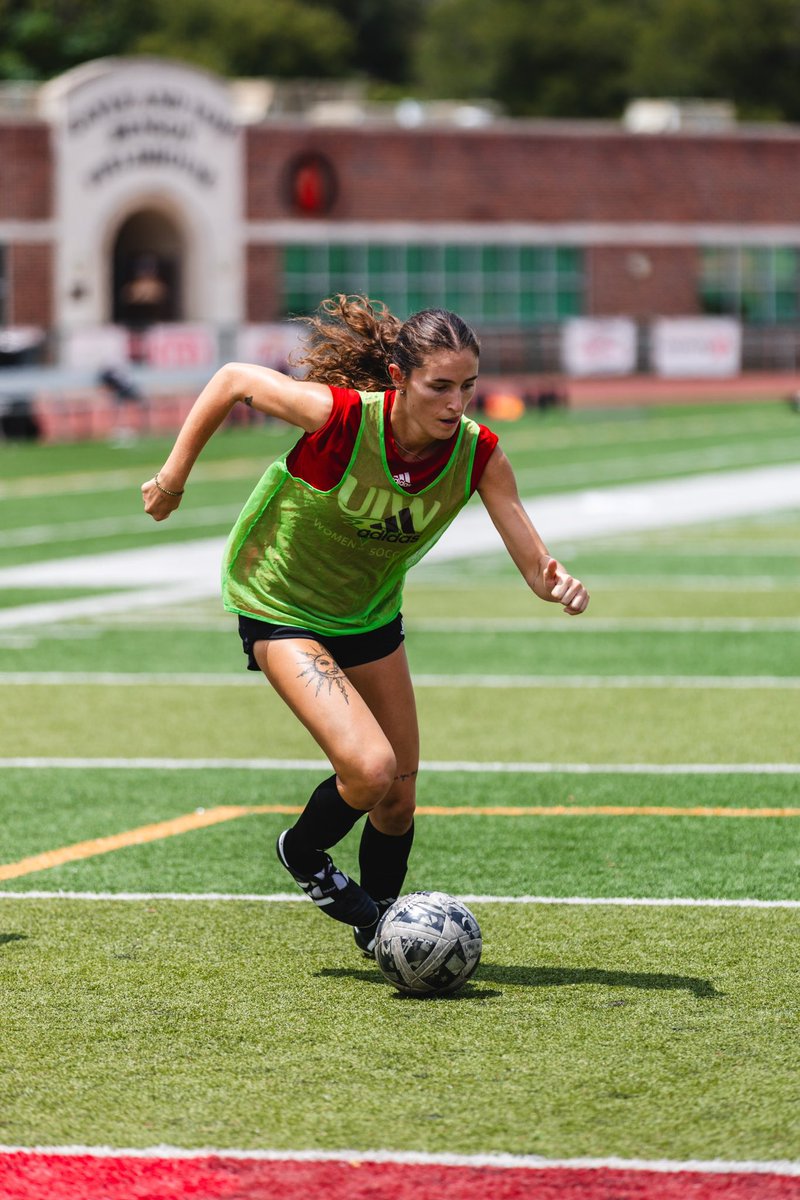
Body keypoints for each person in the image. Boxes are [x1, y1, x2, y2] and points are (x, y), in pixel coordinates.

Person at [141, 294, 589, 957]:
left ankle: (380, 929)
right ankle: (301, 849)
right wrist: (172, 478)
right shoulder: (342, 419)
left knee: (398, 801)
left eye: (467, 386)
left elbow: (533, 559)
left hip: (370, 616)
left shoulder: (478, 454)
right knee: (370, 768)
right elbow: (233, 379)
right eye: (439, 386)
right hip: (281, 605)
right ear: (400, 378)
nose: (455, 402)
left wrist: (555, 583)